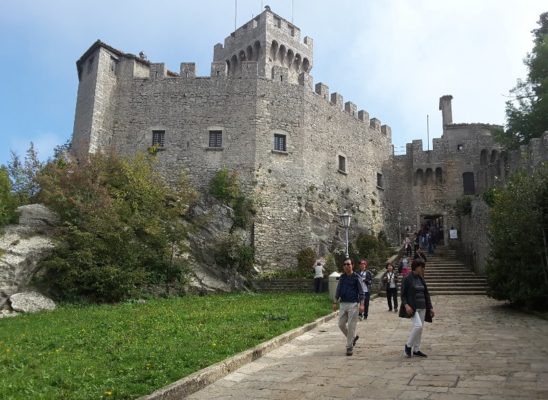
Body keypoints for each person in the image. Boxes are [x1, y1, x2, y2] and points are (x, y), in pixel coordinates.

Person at [399, 259, 435, 358]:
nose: (423, 269)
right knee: (418, 326)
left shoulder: (421, 279)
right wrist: (406, 305)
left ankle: (416, 349)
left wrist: (430, 307)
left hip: (423, 307)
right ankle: (408, 345)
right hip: (413, 307)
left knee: (420, 329)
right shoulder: (407, 278)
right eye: (421, 267)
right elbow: (403, 295)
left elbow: (426, 294)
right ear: (417, 267)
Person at [333, 258, 364, 356]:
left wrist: (362, 304)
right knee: (341, 324)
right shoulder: (342, 277)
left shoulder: (356, 277)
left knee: (351, 326)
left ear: (352, 265)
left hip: (353, 304)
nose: (347, 266)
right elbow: (338, 290)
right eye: (345, 264)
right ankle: (353, 338)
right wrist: (335, 301)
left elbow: (361, 292)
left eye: (349, 264)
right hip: (343, 304)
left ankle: (349, 347)